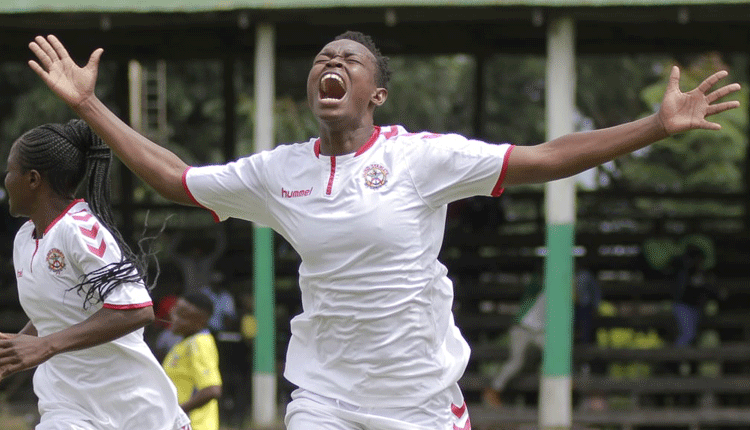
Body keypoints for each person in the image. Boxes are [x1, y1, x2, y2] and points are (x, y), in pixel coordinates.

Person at [27, 31, 740, 430]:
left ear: (377, 93)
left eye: (349, 61)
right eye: (320, 61)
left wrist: (654, 126)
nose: (330, 65)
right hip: (325, 395)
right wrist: (91, 108)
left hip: (420, 398)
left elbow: (548, 157)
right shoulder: (280, 172)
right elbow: (173, 181)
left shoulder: (422, 159)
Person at [0, 120, 190, 430]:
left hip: (138, 413)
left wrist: (45, 346)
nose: (6, 180)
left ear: (33, 179)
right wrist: (14, 351)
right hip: (67, 408)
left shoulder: (81, 230)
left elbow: (137, 309)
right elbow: (58, 310)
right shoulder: (24, 238)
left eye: (10, 171)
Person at [482, 271, 545, 407]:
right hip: (522, 327)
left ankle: (560, 387)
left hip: (540, 331)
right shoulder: (539, 284)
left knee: (554, 355)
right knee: (516, 361)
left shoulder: (562, 291)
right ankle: (494, 389)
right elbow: (533, 285)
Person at [163, 293, 223, 430]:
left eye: (181, 315)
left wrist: (177, 413)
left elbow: (212, 389)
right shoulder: (182, 344)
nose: (173, 317)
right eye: (174, 312)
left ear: (201, 320)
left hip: (195, 425)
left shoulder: (199, 343)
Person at [669, 243, 715, 347]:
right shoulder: (683, 271)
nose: (700, 262)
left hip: (694, 307)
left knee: (693, 337)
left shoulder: (699, 272)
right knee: (688, 335)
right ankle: (674, 359)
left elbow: (706, 289)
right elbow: (683, 290)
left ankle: (680, 360)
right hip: (683, 306)